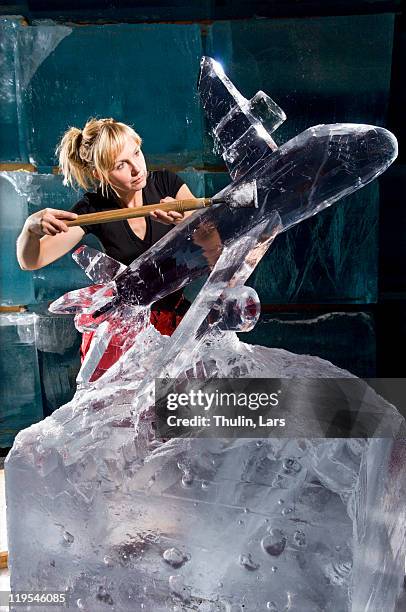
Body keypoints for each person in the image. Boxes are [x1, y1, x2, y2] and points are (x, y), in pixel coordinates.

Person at [16, 117, 196, 377]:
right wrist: (30, 229)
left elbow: (211, 238)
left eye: (136, 153)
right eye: (121, 164)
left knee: (186, 408)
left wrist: (187, 223)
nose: (137, 168)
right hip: (128, 332)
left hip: (177, 320)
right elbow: (31, 260)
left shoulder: (166, 184)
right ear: (99, 174)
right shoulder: (93, 208)